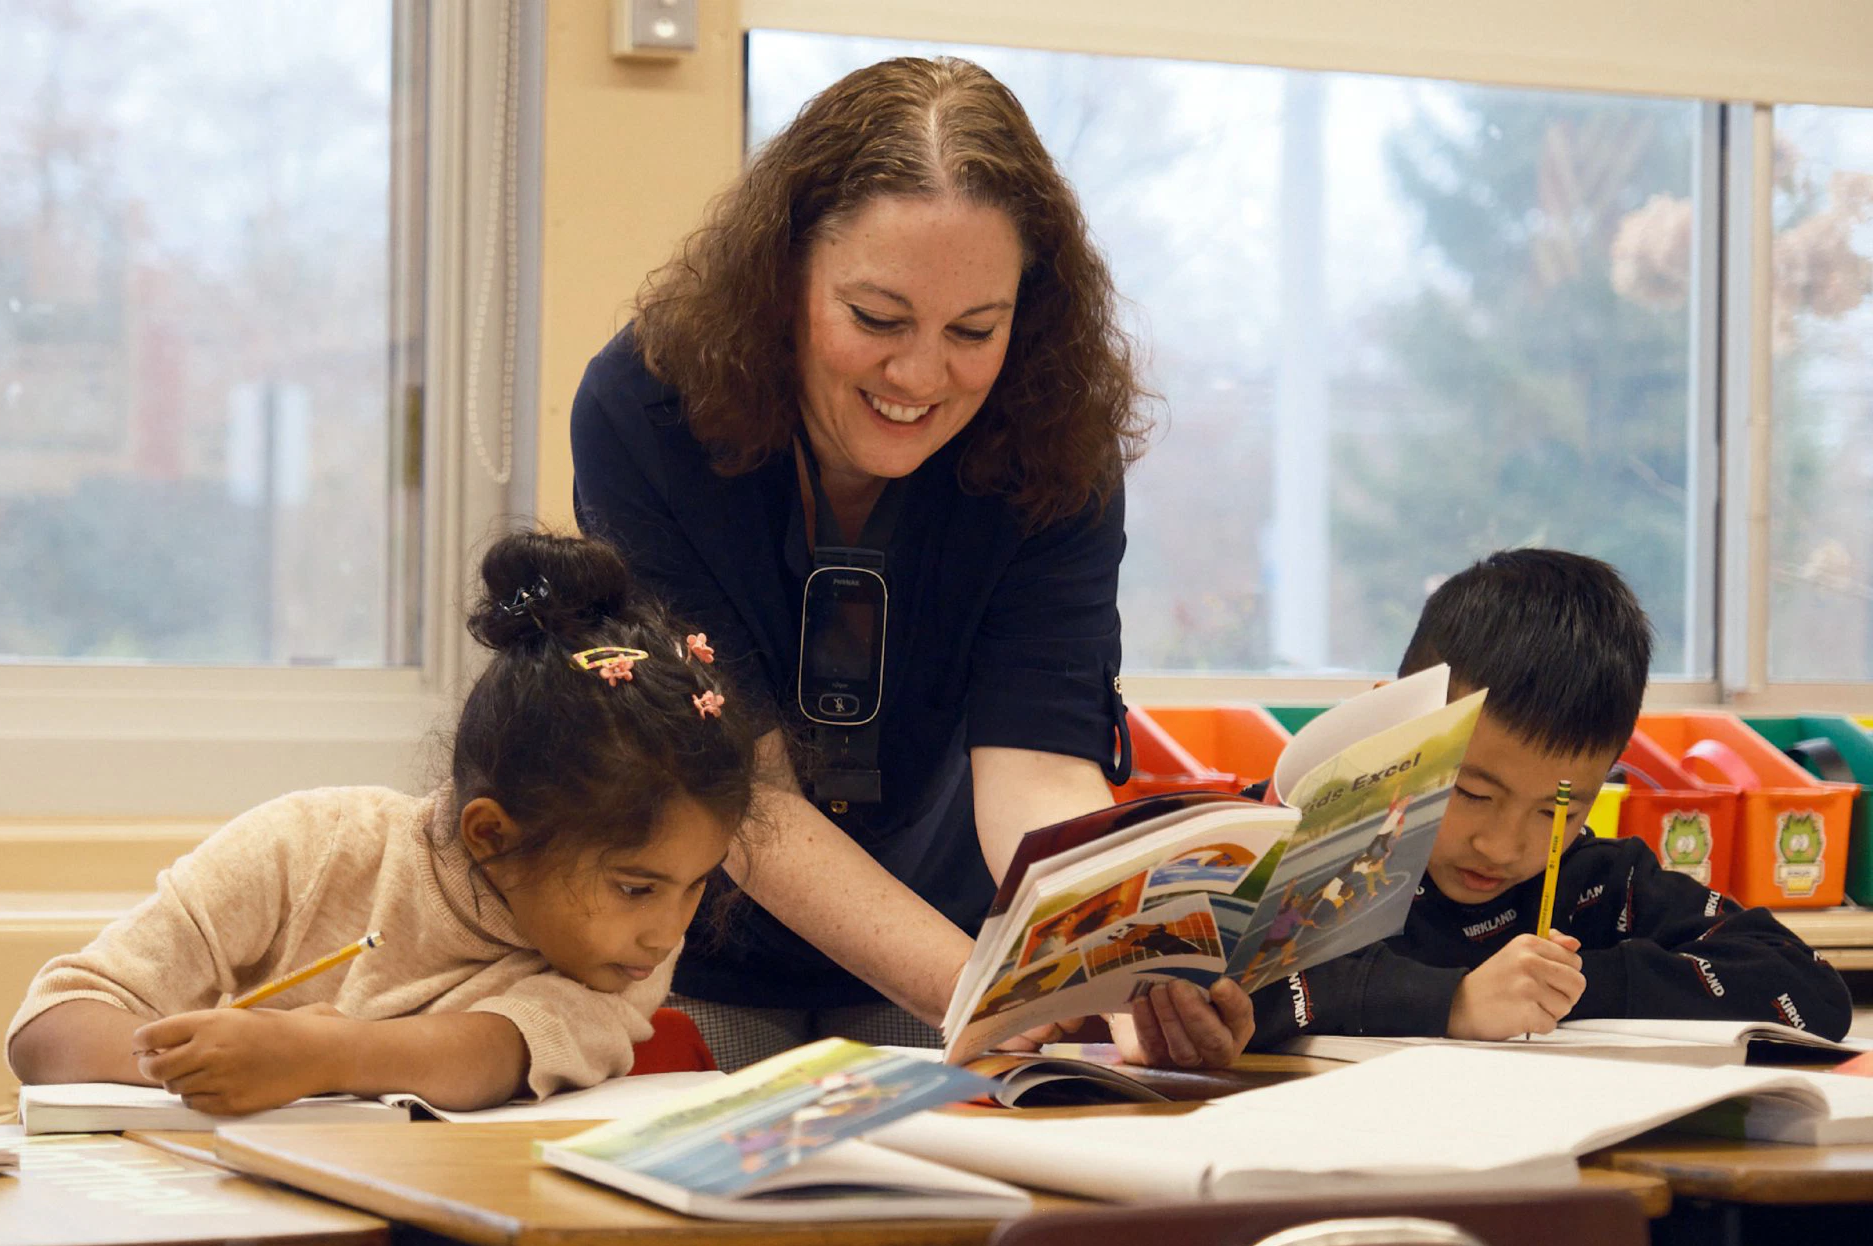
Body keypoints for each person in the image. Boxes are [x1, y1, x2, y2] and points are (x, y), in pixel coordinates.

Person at [571, 55, 1251, 1070]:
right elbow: (746, 801)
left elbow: (1039, 768)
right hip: (689, 937)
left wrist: (1116, 964)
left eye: (974, 330)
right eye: (877, 319)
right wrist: (999, 987)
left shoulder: (1051, 435)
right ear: (785, 272)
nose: (920, 375)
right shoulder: (647, 413)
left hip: (940, 923)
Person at [5, 531, 761, 1115]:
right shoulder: (310, 846)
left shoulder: (620, 966)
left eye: (696, 886)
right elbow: (49, 1027)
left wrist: (325, 1056)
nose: (668, 932)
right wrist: (192, 1063)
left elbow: (492, 1051)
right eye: (636, 889)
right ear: (491, 835)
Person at [1249, 549, 1853, 1046]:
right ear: (1395, 724)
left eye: (1558, 809)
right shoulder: (1299, 856)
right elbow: (1217, 987)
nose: (1504, 845)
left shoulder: (1598, 885)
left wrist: (1568, 982)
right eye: (1473, 793)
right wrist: (1452, 1003)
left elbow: (1811, 993)